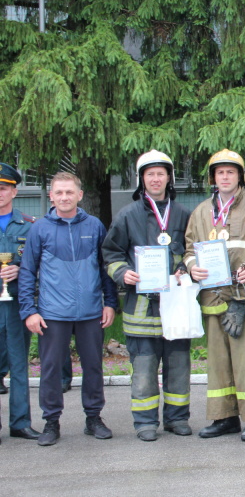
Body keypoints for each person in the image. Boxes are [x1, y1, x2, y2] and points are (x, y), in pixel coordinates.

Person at [19, 172, 118, 446]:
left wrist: (110, 303)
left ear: (79, 195)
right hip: (52, 314)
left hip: (90, 312)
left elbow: (105, 268)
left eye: (69, 192)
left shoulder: (95, 225)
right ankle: (51, 422)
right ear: (51, 196)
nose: (64, 197)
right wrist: (29, 311)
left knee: (93, 367)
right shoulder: (39, 229)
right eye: (59, 192)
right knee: (50, 369)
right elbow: (27, 271)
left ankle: (94, 418)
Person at [184, 149, 245, 442]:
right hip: (214, 299)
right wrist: (192, 267)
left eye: (230, 172)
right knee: (219, 363)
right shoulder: (200, 213)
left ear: (240, 176)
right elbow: (188, 250)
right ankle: (224, 418)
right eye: (220, 172)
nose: (225, 177)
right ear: (214, 177)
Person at [102, 150, 193, 441]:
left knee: (178, 366)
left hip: (176, 306)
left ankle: (177, 418)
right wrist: (122, 272)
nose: (155, 179)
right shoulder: (127, 215)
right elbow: (111, 253)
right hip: (141, 307)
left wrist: (185, 267)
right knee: (143, 369)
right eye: (149, 174)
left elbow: (191, 252)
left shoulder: (182, 214)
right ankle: (145, 422)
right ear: (142, 179)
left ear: (169, 177)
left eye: (161, 173)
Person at [0, 163, 39, 443]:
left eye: (3, 189)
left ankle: (20, 422)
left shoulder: (29, 224)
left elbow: (40, 264)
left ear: (14, 191)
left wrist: (21, 269)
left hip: (16, 303)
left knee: (19, 363)